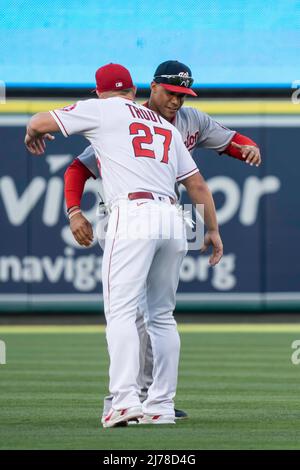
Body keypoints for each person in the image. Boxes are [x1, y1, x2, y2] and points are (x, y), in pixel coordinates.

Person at [24, 63, 223, 428]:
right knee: (162, 316)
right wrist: (213, 229)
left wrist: (31, 133)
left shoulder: (101, 108)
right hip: (172, 218)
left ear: (99, 92)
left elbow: (39, 121)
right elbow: (197, 186)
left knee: (121, 313)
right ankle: (161, 405)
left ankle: (125, 400)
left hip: (133, 213)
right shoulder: (165, 125)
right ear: (133, 90)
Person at [64, 60, 262, 421]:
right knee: (143, 313)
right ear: (151, 87)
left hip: (155, 216)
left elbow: (233, 142)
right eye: (171, 93)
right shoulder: (122, 116)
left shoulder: (189, 121)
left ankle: (149, 400)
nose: (177, 101)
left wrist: (248, 146)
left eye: (183, 95)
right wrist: (74, 211)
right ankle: (139, 399)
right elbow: (79, 168)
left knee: (150, 313)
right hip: (133, 215)